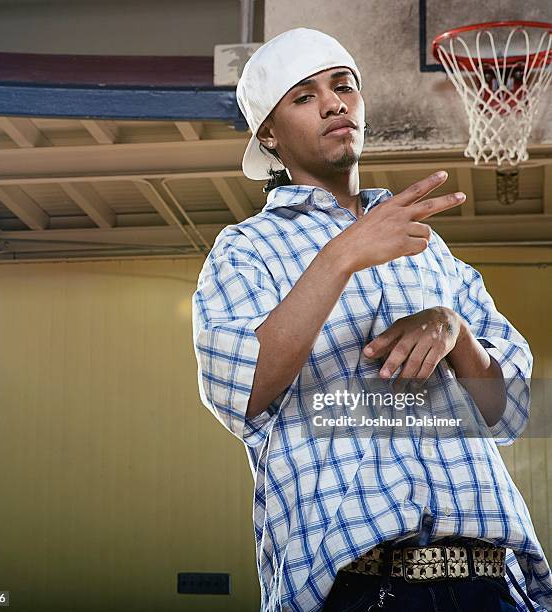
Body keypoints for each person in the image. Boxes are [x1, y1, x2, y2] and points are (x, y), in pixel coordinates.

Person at [191, 27, 552, 611]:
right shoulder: (243, 251)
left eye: (344, 87)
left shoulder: (428, 247)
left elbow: (509, 412)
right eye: (303, 96)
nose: (334, 102)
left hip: (491, 580)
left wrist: (453, 329)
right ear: (270, 137)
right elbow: (242, 392)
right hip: (361, 588)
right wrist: (342, 253)